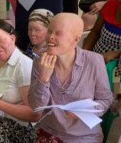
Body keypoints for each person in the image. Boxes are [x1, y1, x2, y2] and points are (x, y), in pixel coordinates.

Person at [29, 13, 113, 142]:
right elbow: (36, 107)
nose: (51, 37)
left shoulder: (94, 61)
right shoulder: (40, 60)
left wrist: (84, 111)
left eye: (58, 33)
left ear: (76, 39)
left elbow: (106, 100)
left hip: (85, 136)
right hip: (49, 131)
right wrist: (43, 78)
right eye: (50, 31)